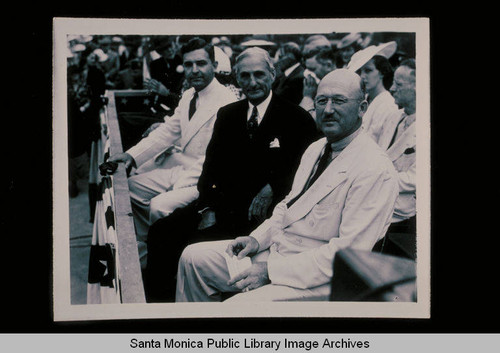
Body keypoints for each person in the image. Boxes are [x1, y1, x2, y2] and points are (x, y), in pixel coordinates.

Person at [175, 69, 399, 302]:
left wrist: (270, 272)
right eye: (322, 101)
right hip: (279, 254)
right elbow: (287, 206)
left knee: (237, 306)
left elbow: (347, 257)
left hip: (319, 280)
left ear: (362, 108)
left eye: (339, 101)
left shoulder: (375, 170)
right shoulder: (317, 148)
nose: (329, 110)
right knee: (193, 258)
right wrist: (257, 239)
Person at [144, 47, 318, 302]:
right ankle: (161, 310)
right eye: (245, 76)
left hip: (257, 221)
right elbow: (210, 170)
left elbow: (306, 176)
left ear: (272, 75)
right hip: (219, 207)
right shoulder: (228, 115)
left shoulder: (297, 118)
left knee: (189, 249)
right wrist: (207, 209)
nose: (252, 82)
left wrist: (272, 186)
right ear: (237, 78)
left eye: (259, 74)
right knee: (161, 232)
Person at [106, 38, 238, 268]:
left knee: (159, 205)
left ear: (214, 65)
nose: (194, 70)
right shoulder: (188, 95)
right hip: (181, 169)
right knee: (130, 189)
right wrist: (131, 156)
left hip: (203, 178)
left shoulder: (227, 102)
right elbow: (168, 131)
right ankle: (148, 246)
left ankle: (167, 260)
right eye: (188, 65)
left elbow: (215, 158)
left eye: (201, 63)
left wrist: (175, 184)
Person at [377, 59, 417, 234]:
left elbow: (416, 179)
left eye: (398, 84)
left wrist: (376, 180)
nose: (392, 88)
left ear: (418, 87)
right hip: (376, 206)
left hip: (402, 217)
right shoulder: (393, 118)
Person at [347, 42, 399, 143]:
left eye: (368, 70)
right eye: (360, 72)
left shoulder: (388, 105)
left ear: (382, 72)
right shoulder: (363, 100)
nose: (362, 76)